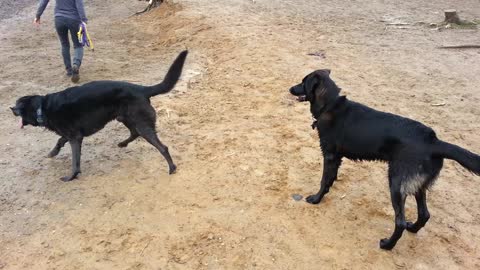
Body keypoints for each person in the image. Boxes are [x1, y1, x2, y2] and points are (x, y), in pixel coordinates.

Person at [35, 0, 88, 83]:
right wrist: (84, 20)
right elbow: (79, 4)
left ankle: (69, 71)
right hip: (74, 19)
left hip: (59, 19)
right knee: (78, 45)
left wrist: (38, 15)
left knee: (64, 44)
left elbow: (44, 1)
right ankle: (76, 64)